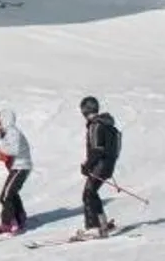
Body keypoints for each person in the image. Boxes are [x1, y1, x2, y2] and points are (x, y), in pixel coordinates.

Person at [74, 97, 120, 240]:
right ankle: (102, 224)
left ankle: (94, 228)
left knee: (88, 194)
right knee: (92, 193)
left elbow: (96, 149)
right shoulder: (107, 124)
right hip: (108, 164)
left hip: (100, 164)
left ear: (85, 110)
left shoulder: (95, 125)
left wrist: (87, 166)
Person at [0, 108, 33, 235]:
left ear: (4, 119)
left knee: (6, 196)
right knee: (12, 193)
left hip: (21, 167)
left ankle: (8, 223)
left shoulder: (12, 131)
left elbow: (12, 150)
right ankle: (20, 217)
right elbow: (8, 149)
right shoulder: (9, 133)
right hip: (18, 167)